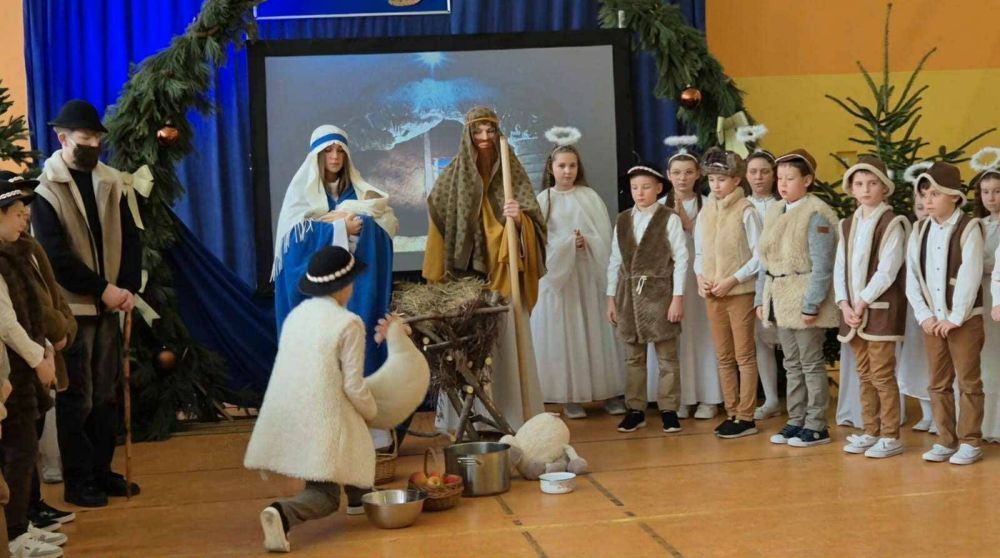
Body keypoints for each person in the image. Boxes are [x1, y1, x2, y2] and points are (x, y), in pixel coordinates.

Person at [245, 246, 408, 553]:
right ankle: (283, 513)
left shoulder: (297, 317)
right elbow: (353, 385)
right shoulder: (348, 323)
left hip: (293, 414)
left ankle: (360, 497)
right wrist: (374, 412)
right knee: (326, 495)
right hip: (323, 418)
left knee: (355, 434)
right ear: (343, 286)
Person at [31, 99, 142, 507]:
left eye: (97, 137)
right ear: (63, 139)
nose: (94, 144)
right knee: (78, 396)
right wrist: (102, 289)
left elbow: (131, 237)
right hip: (74, 310)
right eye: (85, 137)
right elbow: (55, 257)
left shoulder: (112, 182)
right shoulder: (45, 190)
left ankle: (102, 470)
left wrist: (126, 287)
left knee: (107, 394)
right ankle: (78, 480)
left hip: (110, 305)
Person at [422, 106, 546, 430]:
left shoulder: (512, 173)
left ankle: (513, 416)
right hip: (465, 281)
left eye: (490, 130)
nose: (485, 137)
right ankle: (472, 422)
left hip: (504, 277)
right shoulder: (453, 177)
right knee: (470, 350)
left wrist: (519, 220)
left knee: (507, 345)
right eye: (478, 131)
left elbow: (535, 223)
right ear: (468, 136)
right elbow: (437, 217)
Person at [271, 125, 397, 372]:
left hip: (354, 286)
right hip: (318, 291)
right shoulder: (300, 195)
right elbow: (293, 242)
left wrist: (361, 224)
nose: (335, 157)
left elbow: (388, 222)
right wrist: (340, 228)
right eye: (328, 151)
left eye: (340, 151)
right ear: (317, 156)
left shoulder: (360, 192)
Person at [530, 136, 624, 419]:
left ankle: (609, 393)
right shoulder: (543, 201)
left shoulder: (589, 197)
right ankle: (569, 396)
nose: (567, 171)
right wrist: (567, 244)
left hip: (588, 274)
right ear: (551, 168)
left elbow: (604, 236)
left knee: (596, 333)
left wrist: (587, 242)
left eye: (572, 166)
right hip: (560, 280)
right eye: (562, 166)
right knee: (565, 335)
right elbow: (540, 243)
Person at [0, 175, 65, 557]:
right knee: (19, 452)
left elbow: (30, 310)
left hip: (23, 367)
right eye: (17, 215)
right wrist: (38, 359)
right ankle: (14, 535)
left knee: (25, 450)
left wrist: (45, 346)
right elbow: (7, 322)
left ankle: (21, 524)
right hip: (12, 372)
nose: (24, 221)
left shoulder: (16, 253)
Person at [757, 149, 839, 448]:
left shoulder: (816, 213)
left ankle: (816, 424)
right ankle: (796, 419)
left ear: (807, 180)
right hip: (779, 296)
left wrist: (812, 304)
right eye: (780, 178)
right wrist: (760, 298)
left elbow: (823, 265)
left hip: (803, 295)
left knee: (810, 363)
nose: (782, 184)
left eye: (790, 178)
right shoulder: (775, 210)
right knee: (791, 363)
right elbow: (764, 259)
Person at [906, 162, 985, 465]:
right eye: (925, 194)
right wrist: (924, 315)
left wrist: (955, 317)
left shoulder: (969, 227)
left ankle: (970, 440)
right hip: (932, 322)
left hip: (963, 320)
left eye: (935, 194)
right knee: (937, 383)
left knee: (968, 382)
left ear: (954, 196)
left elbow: (970, 274)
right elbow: (912, 277)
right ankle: (945, 439)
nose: (928, 200)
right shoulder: (919, 230)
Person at [834, 156, 909, 458]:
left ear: (884, 187)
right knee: (864, 374)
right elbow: (840, 267)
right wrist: (844, 303)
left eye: (872, 183)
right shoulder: (846, 225)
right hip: (852, 311)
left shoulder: (893, 223)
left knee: (882, 374)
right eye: (859, 184)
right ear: (851, 189)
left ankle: (890, 435)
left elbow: (887, 270)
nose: (865, 189)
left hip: (878, 310)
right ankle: (870, 430)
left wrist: (862, 301)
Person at [607, 163, 687, 434]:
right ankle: (635, 409)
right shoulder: (622, 220)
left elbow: (681, 259)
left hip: (659, 295)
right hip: (627, 296)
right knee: (633, 358)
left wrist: (677, 298)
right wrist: (611, 298)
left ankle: (669, 410)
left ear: (658, 188)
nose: (639, 193)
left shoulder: (668, 218)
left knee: (667, 358)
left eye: (645, 187)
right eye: (634, 188)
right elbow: (614, 261)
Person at [695, 148, 762, 438]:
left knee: (743, 355)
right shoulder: (706, 211)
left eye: (722, 180)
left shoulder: (747, 211)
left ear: (736, 180)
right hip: (713, 293)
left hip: (739, 292)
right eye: (711, 180)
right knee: (723, 356)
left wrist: (733, 280)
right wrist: (701, 277)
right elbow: (699, 251)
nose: (716, 185)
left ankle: (746, 415)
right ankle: (731, 410)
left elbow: (759, 256)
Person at [659, 140, 721, 420]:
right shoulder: (658, 207)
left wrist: (686, 222)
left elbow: (715, 242)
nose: (682, 178)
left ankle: (709, 397)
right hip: (671, 283)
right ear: (668, 175)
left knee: (704, 336)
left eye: (688, 172)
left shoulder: (710, 205)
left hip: (701, 280)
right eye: (676, 173)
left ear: (697, 175)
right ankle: (680, 397)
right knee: (677, 340)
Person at [744, 148, 783, 421]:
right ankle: (770, 399)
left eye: (765, 172)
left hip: (780, 282)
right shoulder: (741, 206)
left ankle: (800, 401)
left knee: (789, 343)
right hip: (749, 284)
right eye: (753, 172)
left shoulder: (783, 205)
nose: (759, 177)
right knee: (760, 342)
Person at [896, 188, 935, 433]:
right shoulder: (913, 234)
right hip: (916, 306)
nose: (925, 211)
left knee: (938, 362)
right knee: (917, 357)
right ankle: (927, 413)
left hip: (940, 307)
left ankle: (942, 415)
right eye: (919, 208)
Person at [971, 155, 1000, 442]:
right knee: (987, 358)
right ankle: (988, 425)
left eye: (997, 191)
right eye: (986, 191)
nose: (991, 197)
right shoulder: (977, 225)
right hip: (982, 295)